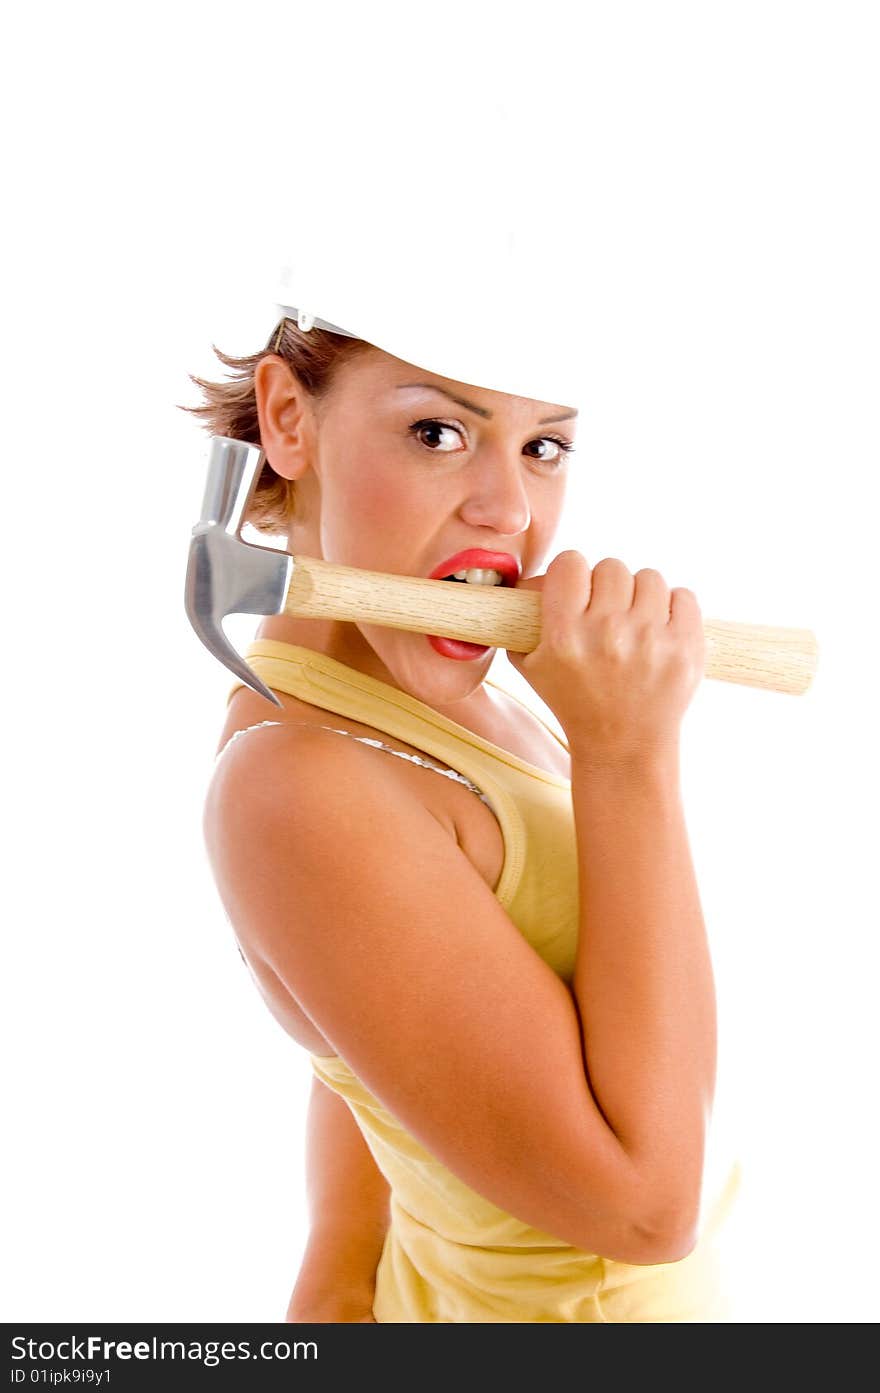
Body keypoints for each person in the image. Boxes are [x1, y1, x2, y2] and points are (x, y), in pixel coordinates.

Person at [182, 312, 741, 1323]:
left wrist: (337, 1279)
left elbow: (389, 1032)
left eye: (544, 446)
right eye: (437, 432)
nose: (510, 507)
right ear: (287, 420)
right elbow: (651, 1209)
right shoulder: (299, 782)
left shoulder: (449, 687)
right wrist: (629, 753)